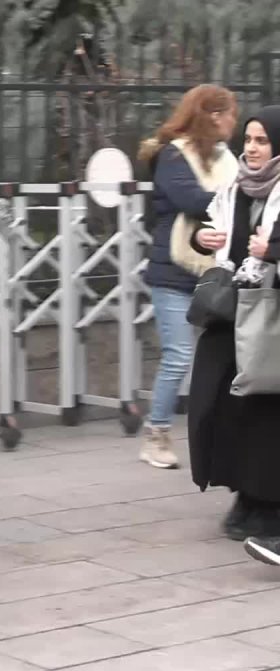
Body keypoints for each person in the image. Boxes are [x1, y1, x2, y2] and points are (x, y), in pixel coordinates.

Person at [188, 107, 280, 541]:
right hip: (232, 312)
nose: (253, 148)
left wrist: (272, 251)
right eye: (249, 140)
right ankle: (245, 493)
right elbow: (217, 231)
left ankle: (263, 505)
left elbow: (267, 248)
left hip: (270, 319)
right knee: (215, 402)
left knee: (263, 413)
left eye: (262, 141)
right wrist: (200, 238)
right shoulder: (236, 189)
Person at [137, 84, 239, 470]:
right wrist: (237, 198)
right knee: (179, 355)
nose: (235, 121)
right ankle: (156, 434)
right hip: (174, 269)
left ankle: (223, 433)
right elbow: (193, 200)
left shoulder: (226, 158)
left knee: (227, 356)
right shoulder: (172, 156)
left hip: (218, 269)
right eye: (231, 113)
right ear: (214, 115)